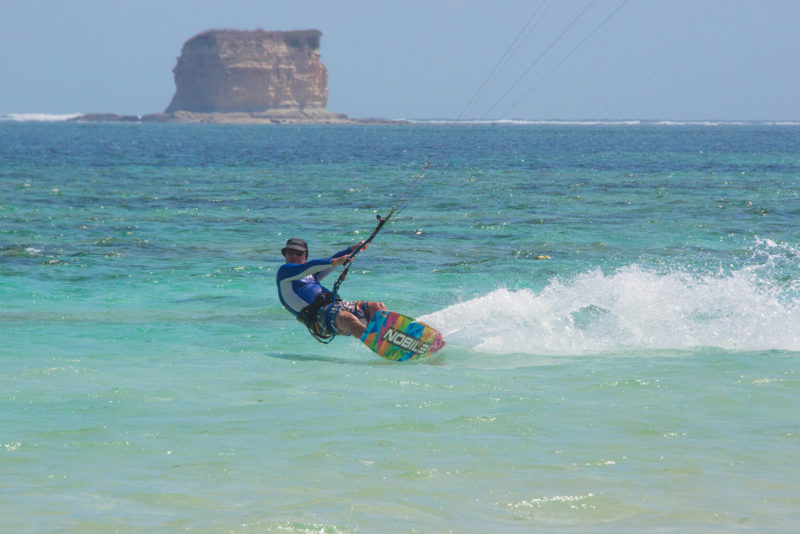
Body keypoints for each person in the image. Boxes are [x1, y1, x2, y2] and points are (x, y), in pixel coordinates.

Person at [276, 237, 387, 340]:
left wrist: (355, 249)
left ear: (305, 256)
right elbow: (310, 266)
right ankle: (381, 345)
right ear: (285, 255)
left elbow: (329, 262)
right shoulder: (284, 272)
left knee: (376, 307)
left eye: (299, 253)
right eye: (290, 252)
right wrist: (334, 262)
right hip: (319, 319)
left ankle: (389, 337)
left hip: (335, 306)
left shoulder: (312, 275)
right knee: (348, 319)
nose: (294, 256)